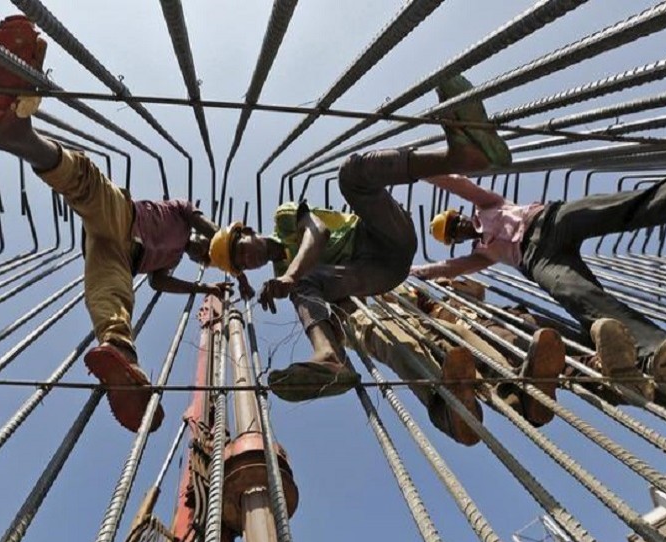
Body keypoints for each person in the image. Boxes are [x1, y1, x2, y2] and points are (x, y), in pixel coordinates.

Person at [0, 16, 236, 432]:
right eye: (205, 251)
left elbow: (159, 284)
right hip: (125, 216)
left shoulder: (172, 257)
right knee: (86, 183)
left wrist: (204, 286)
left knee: (110, 298)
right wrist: (228, 245)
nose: (201, 254)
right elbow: (201, 221)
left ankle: (122, 359)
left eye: (205, 257)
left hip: (118, 253)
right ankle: (17, 133)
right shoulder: (181, 213)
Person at [209, 75, 512, 401]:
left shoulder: (285, 221)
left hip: (383, 235)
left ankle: (462, 157)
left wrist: (290, 276)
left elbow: (317, 232)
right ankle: (331, 358)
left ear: (248, 232)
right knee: (304, 287)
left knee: (351, 175)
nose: (246, 260)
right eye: (241, 264)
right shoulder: (285, 276)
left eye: (239, 251)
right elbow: (335, 292)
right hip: (376, 275)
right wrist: (319, 307)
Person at [412, 173, 666, 405]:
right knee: (578, 297)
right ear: (455, 240)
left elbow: (460, 184)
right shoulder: (482, 253)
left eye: (454, 221)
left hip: (551, 219)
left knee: (624, 207)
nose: (459, 227)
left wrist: (425, 171)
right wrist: (416, 272)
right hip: (538, 260)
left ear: (458, 214)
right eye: (453, 232)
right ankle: (654, 354)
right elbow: (451, 269)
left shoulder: (486, 206)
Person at [347, 282, 565, 445]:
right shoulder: (338, 303)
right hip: (373, 324)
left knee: (460, 336)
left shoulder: (384, 289)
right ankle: (448, 410)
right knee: (402, 347)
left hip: (415, 319)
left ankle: (517, 392)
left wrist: (386, 286)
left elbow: (401, 293)